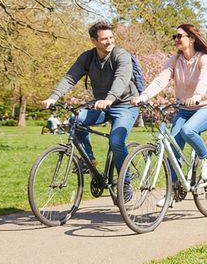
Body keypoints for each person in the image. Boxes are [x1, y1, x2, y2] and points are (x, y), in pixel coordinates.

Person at [42, 21, 141, 186]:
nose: (109, 42)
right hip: (100, 104)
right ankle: (89, 160)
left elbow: (121, 79)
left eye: (111, 37)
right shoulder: (87, 57)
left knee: (116, 141)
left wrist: (109, 99)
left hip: (125, 104)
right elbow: (70, 77)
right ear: (94, 41)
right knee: (75, 121)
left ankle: (125, 183)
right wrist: (53, 97)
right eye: (104, 39)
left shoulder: (121, 55)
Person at [133, 24, 207, 192]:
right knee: (173, 147)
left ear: (192, 38)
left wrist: (196, 96)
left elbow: (204, 80)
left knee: (188, 131)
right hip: (184, 109)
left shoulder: (205, 59)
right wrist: (143, 96)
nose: (176, 40)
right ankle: (175, 190)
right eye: (175, 37)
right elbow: (161, 81)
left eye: (180, 36)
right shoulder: (175, 61)